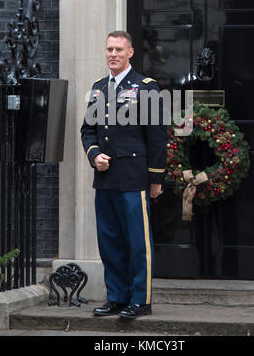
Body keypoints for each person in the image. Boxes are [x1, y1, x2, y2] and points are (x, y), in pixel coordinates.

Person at [80, 30, 167, 319]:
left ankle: (140, 300)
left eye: (119, 49)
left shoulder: (147, 87)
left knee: (138, 243)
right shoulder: (98, 87)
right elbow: (88, 130)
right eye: (109, 49)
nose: (113, 54)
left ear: (130, 52)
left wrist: (155, 179)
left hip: (133, 178)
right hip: (105, 179)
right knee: (110, 241)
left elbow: (157, 137)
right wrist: (94, 155)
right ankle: (116, 297)